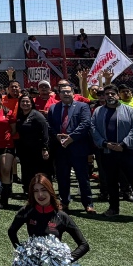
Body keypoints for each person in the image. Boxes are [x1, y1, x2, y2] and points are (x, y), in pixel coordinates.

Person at [8, 174, 89, 266]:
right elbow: (12, 232)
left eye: (43, 190)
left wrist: (64, 260)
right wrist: (23, 254)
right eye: (36, 191)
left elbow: (84, 245)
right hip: (35, 265)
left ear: (50, 191)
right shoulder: (27, 211)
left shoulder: (61, 216)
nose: (40, 195)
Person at [90, 84, 133, 221]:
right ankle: (113, 208)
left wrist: (123, 144)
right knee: (111, 182)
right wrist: (105, 143)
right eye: (107, 94)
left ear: (118, 95)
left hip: (127, 152)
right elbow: (93, 129)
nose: (110, 96)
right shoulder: (98, 111)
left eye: (112, 93)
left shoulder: (130, 111)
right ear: (104, 97)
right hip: (107, 152)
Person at [46, 83, 95, 213]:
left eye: (68, 91)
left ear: (73, 93)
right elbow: (49, 126)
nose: (66, 94)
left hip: (78, 148)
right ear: (59, 95)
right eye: (63, 92)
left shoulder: (83, 106)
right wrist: (57, 136)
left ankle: (88, 204)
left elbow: (85, 124)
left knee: (82, 177)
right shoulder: (53, 108)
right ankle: (64, 201)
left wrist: (71, 137)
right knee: (62, 177)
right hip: (60, 148)